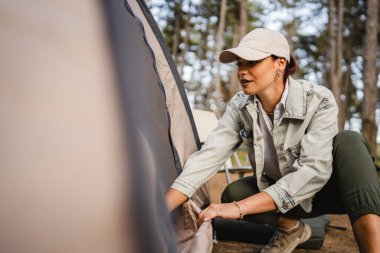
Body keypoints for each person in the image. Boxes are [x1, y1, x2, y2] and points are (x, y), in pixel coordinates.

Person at [166, 28, 380, 253]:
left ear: (280, 63)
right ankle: (292, 230)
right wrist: (162, 208)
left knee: (350, 141)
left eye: (252, 62)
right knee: (234, 193)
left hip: (331, 190)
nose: (242, 71)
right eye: (239, 64)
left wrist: (238, 209)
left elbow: (314, 173)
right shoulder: (241, 106)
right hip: (285, 197)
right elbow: (209, 155)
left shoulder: (318, 99)